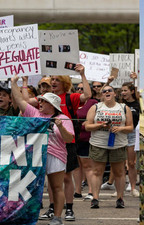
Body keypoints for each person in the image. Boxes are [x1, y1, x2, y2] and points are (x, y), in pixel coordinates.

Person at [11, 76, 74, 225]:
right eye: (39, 100)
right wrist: (14, 83)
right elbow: (20, 101)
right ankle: (26, 215)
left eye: (43, 101)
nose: (39, 103)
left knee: (56, 186)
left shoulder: (63, 118)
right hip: (35, 155)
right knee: (29, 186)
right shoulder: (35, 114)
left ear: (52, 105)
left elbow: (68, 139)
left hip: (55, 155)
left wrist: (60, 126)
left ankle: (57, 217)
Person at [46, 64, 91, 221]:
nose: (53, 82)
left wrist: (83, 75)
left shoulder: (70, 97)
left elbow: (87, 94)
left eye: (57, 79)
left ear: (64, 83)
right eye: (52, 79)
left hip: (67, 141)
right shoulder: (46, 99)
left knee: (66, 177)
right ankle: (52, 207)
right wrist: (23, 82)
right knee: (51, 178)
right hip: (51, 142)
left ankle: (69, 209)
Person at [85, 85, 133, 209]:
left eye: (109, 91)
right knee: (97, 172)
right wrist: (100, 125)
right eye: (104, 91)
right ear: (101, 95)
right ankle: (95, 198)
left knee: (119, 172)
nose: (107, 92)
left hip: (118, 144)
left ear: (114, 94)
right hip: (98, 144)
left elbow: (130, 127)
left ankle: (120, 198)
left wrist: (120, 128)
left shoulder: (123, 107)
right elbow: (87, 126)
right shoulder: (95, 107)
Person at [73, 83, 98, 201]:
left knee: (87, 165)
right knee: (76, 166)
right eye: (77, 88)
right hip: (74, 137)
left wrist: (86, 124)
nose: (79, 90)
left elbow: (95, 119)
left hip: (86, 137)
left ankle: (91, 191)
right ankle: (77, 191)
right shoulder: (73, 101)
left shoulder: (92, 103)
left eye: (82, 89)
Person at [120, 81, 140, 197]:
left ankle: (133, 187)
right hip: (121, 133)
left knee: (131, 163)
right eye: (122, 90)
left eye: (125, 90)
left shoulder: (139, 105)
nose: (123, 93)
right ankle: (120, 188)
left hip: (133, 134)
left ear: (132, 91)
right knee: (120, 163)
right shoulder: (120, 104)